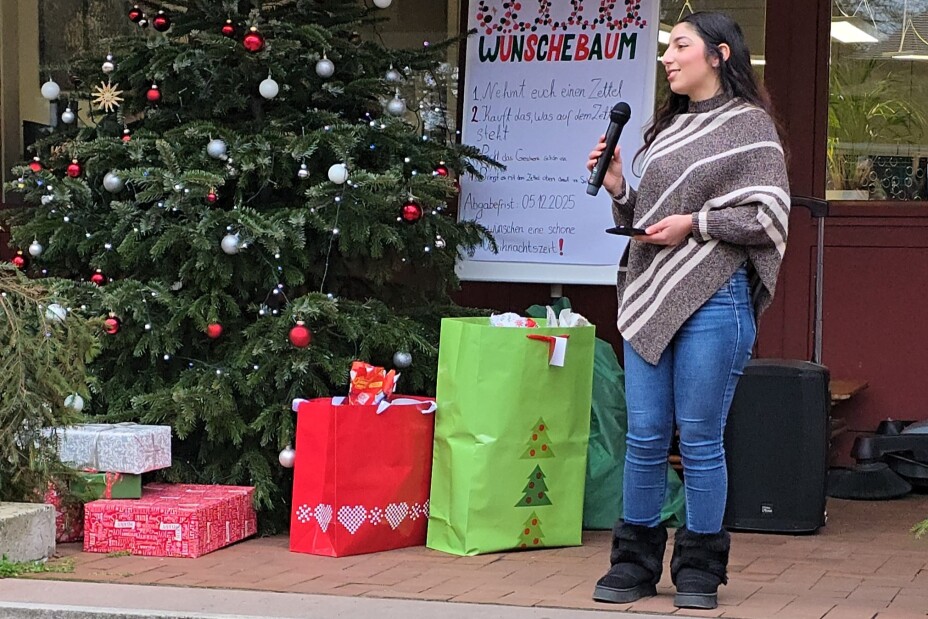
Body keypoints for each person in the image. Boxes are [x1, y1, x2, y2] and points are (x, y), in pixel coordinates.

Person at [585, 11, 790, 611]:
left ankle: (699, 568)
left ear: (720, 54)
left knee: (700, 439)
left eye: (680, 46)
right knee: (644, 437)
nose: (668, 58)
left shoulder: (751, 127)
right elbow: (647, 223)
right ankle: (634, 564)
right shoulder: (663, 131)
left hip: (715, 296)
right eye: (666, 49)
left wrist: (696, 225)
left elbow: (767, 216)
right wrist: (623, 187)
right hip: (650, 297)